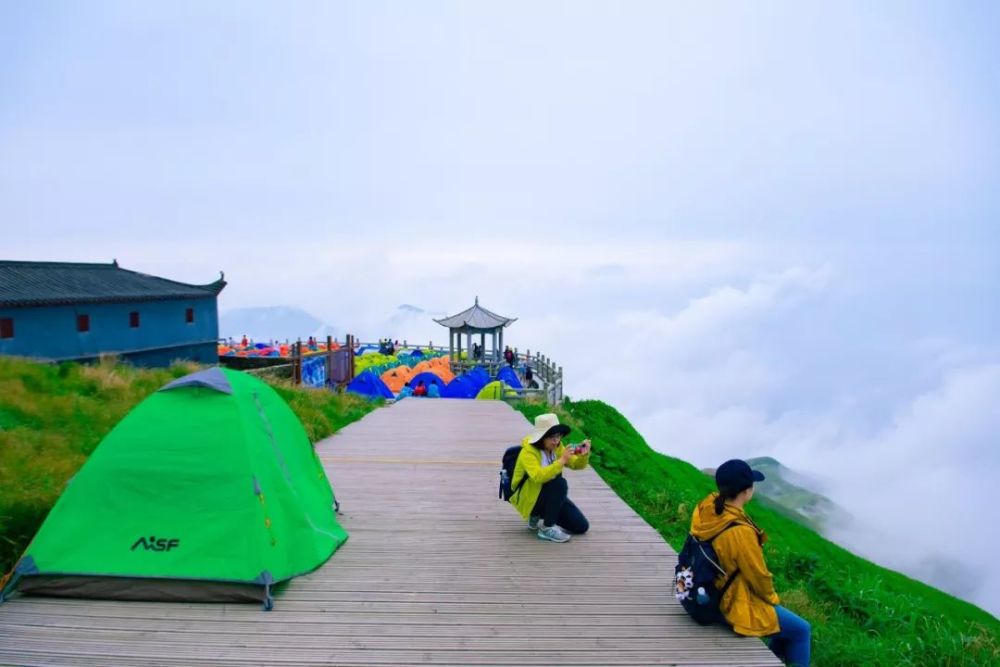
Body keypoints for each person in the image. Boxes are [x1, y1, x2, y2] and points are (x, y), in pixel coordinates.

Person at [690, 459, 811, 666]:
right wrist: (773, 598)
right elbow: (758, 576)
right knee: (801, 630)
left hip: (705, 587)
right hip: (728, 600)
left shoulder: (706, 507)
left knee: (785, 627)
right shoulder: (740, 531)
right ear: (746, 491)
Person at [510, 413, 591, 542]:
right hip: (529, 497)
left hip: (550, 495)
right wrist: (561, 461)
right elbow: (537, 476)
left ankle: (537, 516)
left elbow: (575, 465)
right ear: (541, 437)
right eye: (552, 437)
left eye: (558, 436)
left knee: (581, 526)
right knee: (560, 483)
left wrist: (583, 455)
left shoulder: (557, 448)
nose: (556, 441)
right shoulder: (528, 452)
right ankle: (547, 528)